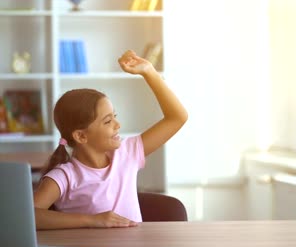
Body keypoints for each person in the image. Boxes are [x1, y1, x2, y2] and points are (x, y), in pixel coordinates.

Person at [33, 50, 188, 230]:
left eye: (115, 116)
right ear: (81, 136)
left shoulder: (127, 153)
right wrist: (91, 220)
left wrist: (149, 72)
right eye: (108, 121)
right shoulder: (65, 176)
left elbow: (177, 117)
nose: (118, 125)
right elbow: (29, 216)